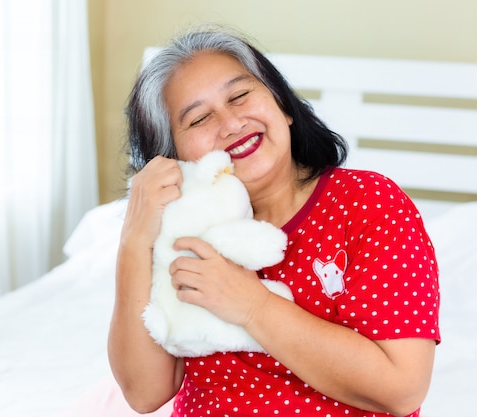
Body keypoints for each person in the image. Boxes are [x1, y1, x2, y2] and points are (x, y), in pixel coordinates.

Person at [108, 25, 440, 417]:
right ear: (172, 155)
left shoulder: (369, 204)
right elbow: (144, 394)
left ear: (282, 106)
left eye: (241, 95)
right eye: (198, 120)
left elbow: (401, 390)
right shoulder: (182, 233)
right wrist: (134, 238)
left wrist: (251, 305)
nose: (231, 124)